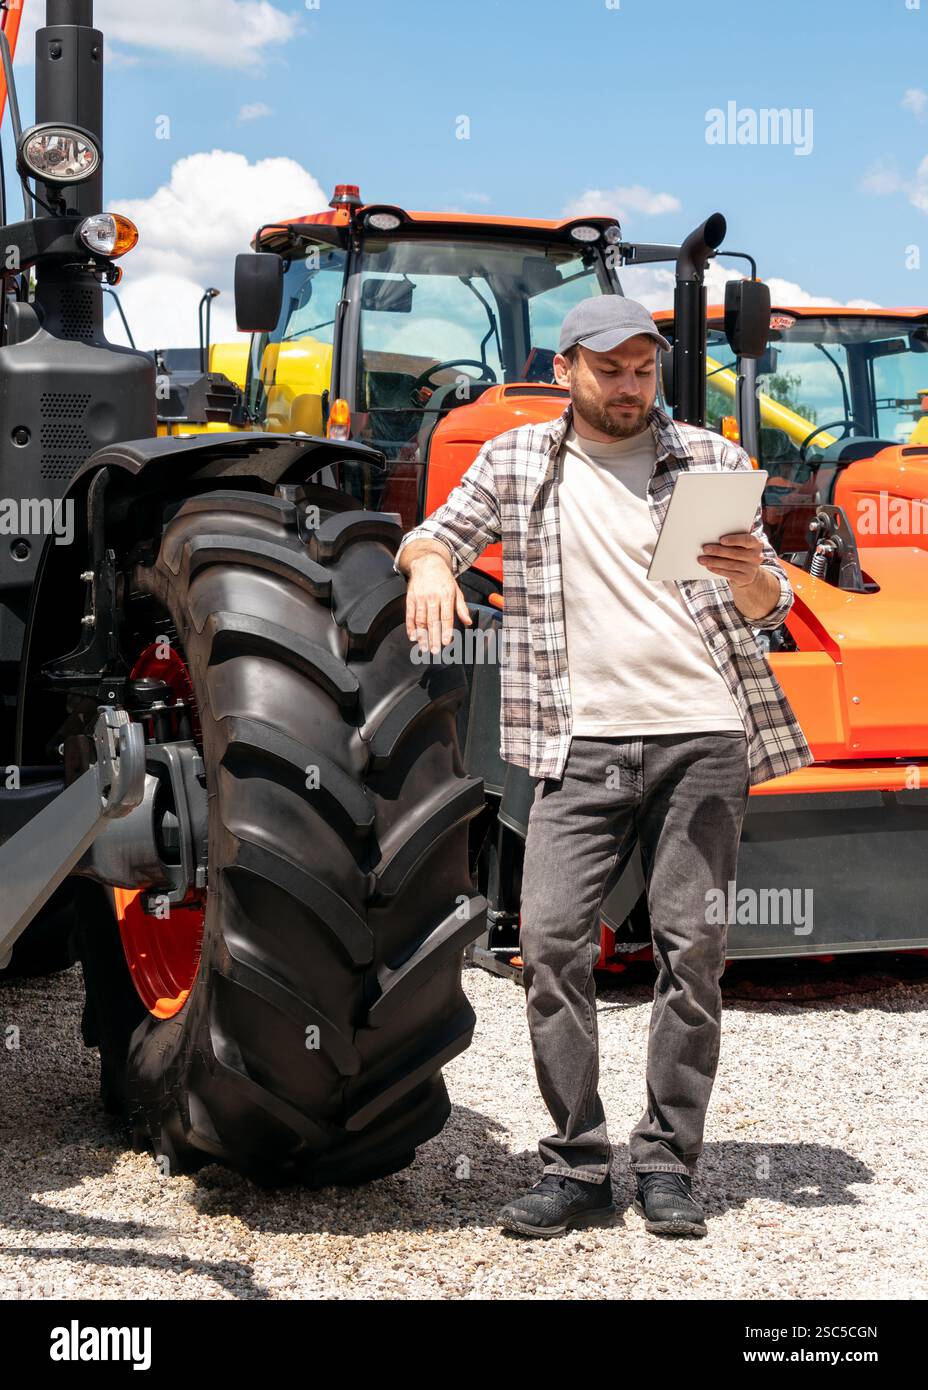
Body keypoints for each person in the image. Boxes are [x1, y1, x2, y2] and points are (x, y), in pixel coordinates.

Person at [392, 296, 813, 1239]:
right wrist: (426, 565)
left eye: (643, 369)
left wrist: (751, 576)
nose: (630, 387)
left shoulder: (712, 459)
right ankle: (578, 1163)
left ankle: (667, 1164)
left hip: (702, 736)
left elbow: (771, 602)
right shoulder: (515, 459)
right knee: (547, 945)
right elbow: (434, 534)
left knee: (691, 955)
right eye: (611, 368)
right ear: (568, 366)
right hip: (575, 743)